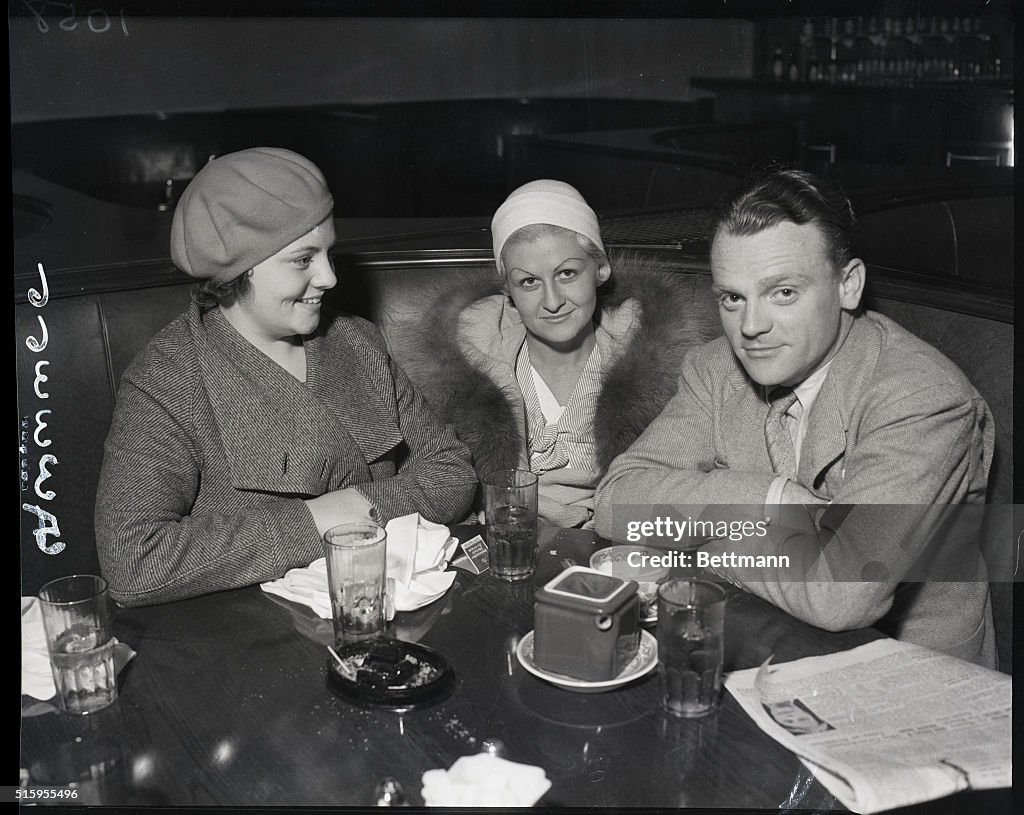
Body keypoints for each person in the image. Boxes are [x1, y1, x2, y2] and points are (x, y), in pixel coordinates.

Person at [595, 166, 996, 667]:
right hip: (766, 651)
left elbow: (840, 592)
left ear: (848, 285)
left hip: (909, 683)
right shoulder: (716, 369)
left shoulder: (921, 396)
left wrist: (691, 539)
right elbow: (616, 503)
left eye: (783, 292)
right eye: (732, 298)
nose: (751, 326)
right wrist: (769, 499)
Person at [95, 148, 477, 607]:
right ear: (239, 268)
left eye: (328, 253)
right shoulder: (167, 380)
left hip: (378, 604)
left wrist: (354, 506)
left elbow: (452, 473)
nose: (330, 277)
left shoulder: (357, 341)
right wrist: (320, 519)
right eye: (303, 260)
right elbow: (134, 564)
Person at [397, 179, 715, 527]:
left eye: (567, 273)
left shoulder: (665, 366)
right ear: (508, 290)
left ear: (600, 270)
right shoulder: (461, 363)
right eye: (528, 282)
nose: (552, 301)